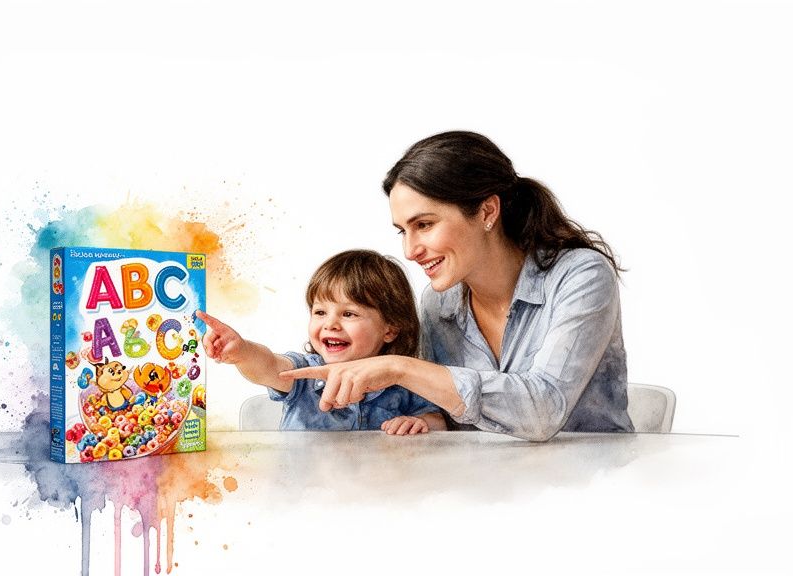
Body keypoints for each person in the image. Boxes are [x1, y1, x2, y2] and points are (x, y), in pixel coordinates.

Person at [282, 131, 634, 441]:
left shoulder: (580, 276)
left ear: (486, 212)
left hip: (590, 487)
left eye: (425, 224)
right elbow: (443, 417)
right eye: (403, 230)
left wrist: (401, 368)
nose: (410, 250)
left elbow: (543, 410)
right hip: (476, 493)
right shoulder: (439, 303)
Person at [198, 249, 446, 435]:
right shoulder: (305, 373)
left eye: (348, 314)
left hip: (375, 496)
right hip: (305, 496)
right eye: (320, 312)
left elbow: (439, 422)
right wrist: (242, 350)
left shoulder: (405, 380)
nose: (331, 324)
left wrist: (421, 424)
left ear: (390, 330)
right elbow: (270, 366)